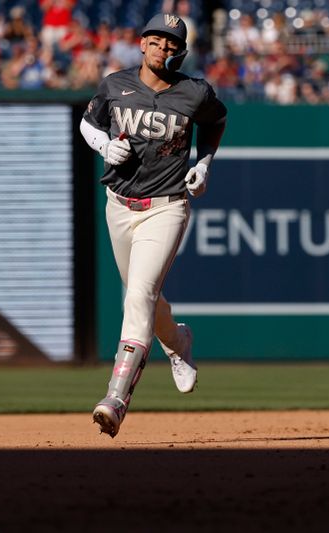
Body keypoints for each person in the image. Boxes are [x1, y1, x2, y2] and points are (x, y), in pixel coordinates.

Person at [80, 13, 227, 438]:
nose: (164, 49)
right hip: (118, 205)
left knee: (140, 295)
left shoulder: (194, 92)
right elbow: (89, 123)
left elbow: (217, 121)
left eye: (172, 44)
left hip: (167, 205)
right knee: (144, 296)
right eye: (157, 41)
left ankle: (116, 397)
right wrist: (105, 145)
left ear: (180, 51)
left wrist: (204, 161)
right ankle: (178, 342)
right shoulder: (115, 84)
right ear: (143, 43)